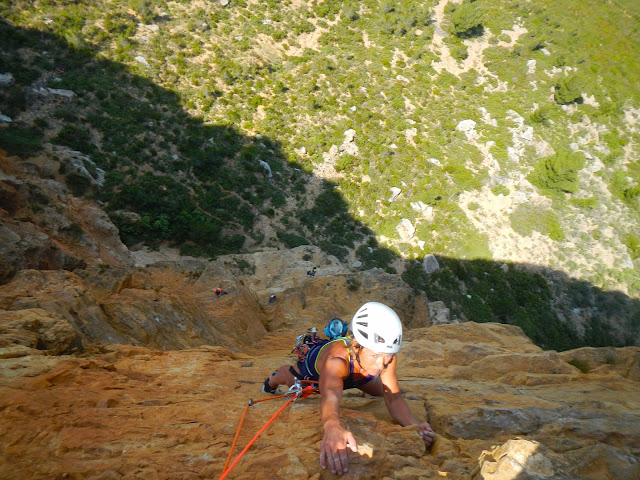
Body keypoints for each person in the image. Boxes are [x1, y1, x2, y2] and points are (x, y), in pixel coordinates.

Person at [261, 302, 435, 475]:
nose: (382, 363)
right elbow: (330, 396)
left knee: (381, 390)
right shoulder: (336, 361)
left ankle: (355, 376)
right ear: (357, 346)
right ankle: (274, 378)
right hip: (312, 374)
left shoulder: (384, 355)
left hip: (355, 375)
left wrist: (414, 425)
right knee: (291, 380)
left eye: (387, 356)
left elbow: (393, 397)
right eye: (374, 355)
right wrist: (332, 427)